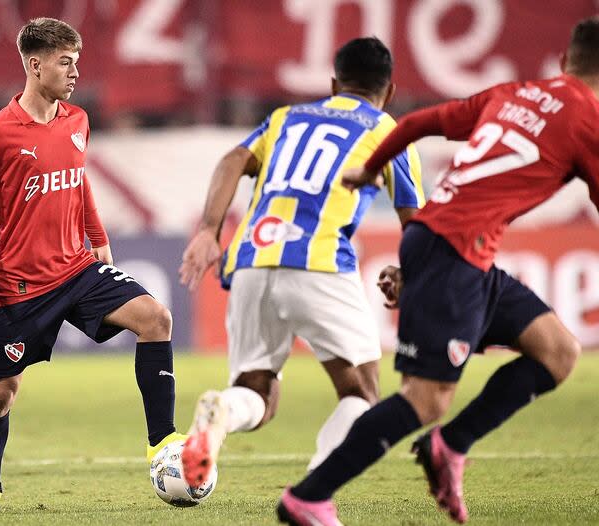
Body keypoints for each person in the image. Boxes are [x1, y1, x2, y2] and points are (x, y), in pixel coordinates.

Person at [278, 16, 599, 526]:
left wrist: (368, 168)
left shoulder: (514, 93)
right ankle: (309, 496)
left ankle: (450, 445)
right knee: (425, 400)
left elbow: (414, 123)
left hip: (453, 247)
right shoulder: (591, 121)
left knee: (557, 351)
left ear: (563, 62)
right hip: (454, 250)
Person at [0, 17, 186, 513]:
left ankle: (163, 445)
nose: (75, 72)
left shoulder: (77, 121)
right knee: (0, 395)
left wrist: (98, 238)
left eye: (76, 61)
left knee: (156, 319)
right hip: (19, 288)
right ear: (35, 66)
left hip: (76, 270)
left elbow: (78, 182)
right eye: (65, 62)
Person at [178, 37, 424, 489]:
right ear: (389, 92)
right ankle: (313, 489)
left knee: (256, 392)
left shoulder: (285, 118)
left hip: (252, 259)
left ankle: (221, 413)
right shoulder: (389, 131)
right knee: (362, 393)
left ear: (334, 84)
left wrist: (209, 232)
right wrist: (412, 274)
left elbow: (233, 160)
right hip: (320, 263)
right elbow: (416, 221)